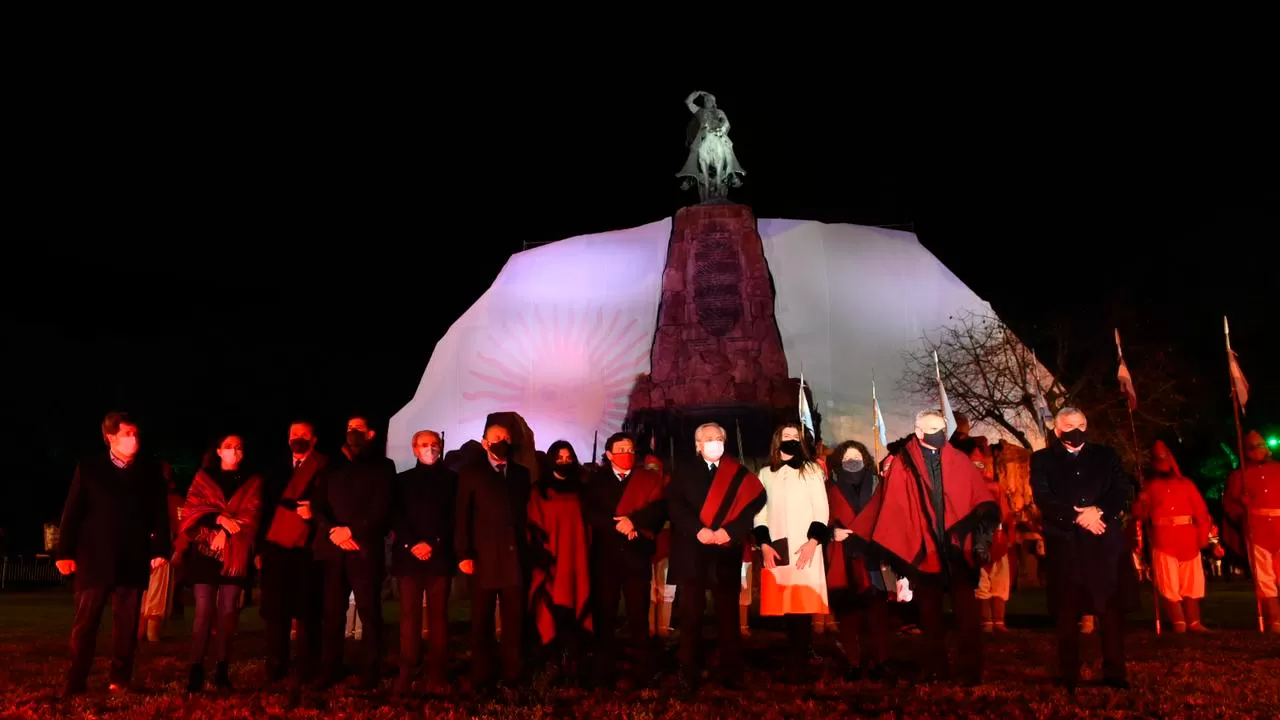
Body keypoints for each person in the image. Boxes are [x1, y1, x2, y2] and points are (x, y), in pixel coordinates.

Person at [851, 410, 997, 685]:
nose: (938, 433)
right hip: (924, 550)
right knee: (930, 618)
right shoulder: (903, 464)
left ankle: (970, 671)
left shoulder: (959, 461)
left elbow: (980, 499)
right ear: (919, 432)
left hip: (957, 551)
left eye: (941, 428)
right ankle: (935, 669)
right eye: (932, 428)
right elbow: (891, 504)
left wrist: (978, 537)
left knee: (967, 617)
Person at [55, 411, 172, 696]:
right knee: (86, 623)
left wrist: (160, 549)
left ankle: (120, 678)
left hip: (133, 556)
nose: (133, 439)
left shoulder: (149, 471)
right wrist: (64, 552)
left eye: (135, 434)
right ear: (110, 438)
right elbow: (72, 513)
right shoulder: (90, 468)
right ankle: (76, 680)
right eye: (126, 434)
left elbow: (160, 514)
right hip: (94, 557)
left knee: (127, 624)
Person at [1031, 407, 1133, 691]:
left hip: (1103, 542)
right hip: (1066, 542)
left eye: (1080, 424)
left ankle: (1115, 672)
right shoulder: (1042, 460)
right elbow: (1044, 496)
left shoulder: (1106, 455)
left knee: (1109, 610)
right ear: (1057, 429)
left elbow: (1121, 489)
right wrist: (1075, 517)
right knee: (1067, 611)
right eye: (1069, 425)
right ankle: (1069, 674)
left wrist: (1098, 512)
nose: (1075, 430)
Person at [667, 422, 766, 692]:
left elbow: (755, 502)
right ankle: (689, 671)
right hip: (692, 551)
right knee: (690, 616)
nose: (714, 442)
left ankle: (732, 672)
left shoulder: (739, 473)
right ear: (698, 445)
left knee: (728, 617)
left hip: (725, 552)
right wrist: (698, 530)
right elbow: (674, 506)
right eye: (708, 438)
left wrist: (730, 532)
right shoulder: (683, 472)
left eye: (718, 438)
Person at [312, 415, 396, 690]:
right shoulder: (331, 466)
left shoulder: (383, 466)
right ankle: (330, 668)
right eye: (349, 428)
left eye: (358, 428)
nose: (352, 432)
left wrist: (353, 531)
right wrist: (333, 531)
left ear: (371, 434)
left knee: (370, 611)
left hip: (364, 548)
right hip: (335, 549)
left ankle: (370, 669)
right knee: (333, 612)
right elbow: (318, 505)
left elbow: (384, 507)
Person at [174, 433, 263, 692]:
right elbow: (191, 514)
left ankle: (222, 669)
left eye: (238, 447)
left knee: (227, 613)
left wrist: (225, 530)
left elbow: (252, 515)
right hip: (206, 554)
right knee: (203, 613)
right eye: (228, 447)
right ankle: (196, 668)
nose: (234, 451)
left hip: (235, 555)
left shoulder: (252, 482)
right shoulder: (204, 479)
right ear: (218, 451)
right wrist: (218, 522)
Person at [581, 433, 666, 688]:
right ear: (608, 454)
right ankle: (603, 670)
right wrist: (617, 525)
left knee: (639, 615)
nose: (626, 453)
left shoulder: (649, 479)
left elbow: (659, 511)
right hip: (605, 559)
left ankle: (642, 670)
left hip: (636, 556)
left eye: (629, 448)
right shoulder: (595, 480)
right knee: (604, 615)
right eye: (620, 449)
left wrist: (635, 523)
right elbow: (589, 512)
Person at [455, 420, 533, 690]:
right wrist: (463, 553)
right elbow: (462, 515)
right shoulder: (470, 473)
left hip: (514, 558)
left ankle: (513, 672)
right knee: (482, 621)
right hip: (482, 558)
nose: (502, 441)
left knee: (514, 621)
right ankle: (482, 674)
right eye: (496, 437)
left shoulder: (521, 475)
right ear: (485, 442)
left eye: (506, 437)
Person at [753, 423, 829, 683]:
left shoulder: (811, 470)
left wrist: (813, 541)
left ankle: (800, 663)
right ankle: (793, 657)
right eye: (786, 436)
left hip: (804, 546)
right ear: (777, 440)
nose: (791, 440)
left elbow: (821, 508)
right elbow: (760, 513)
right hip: (777, 546)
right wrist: (763, 544)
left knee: (802, 605)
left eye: (796, 437)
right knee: (784, 605)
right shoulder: (766, 473)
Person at [258, 421, 328, 687]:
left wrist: (314, 512)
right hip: (275, 547)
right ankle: (276, 665)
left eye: (304, 435)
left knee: (308, 611)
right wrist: (260, 547)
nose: (298, 439)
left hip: (308, 549)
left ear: (314, 439)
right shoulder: (274, 469)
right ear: (288, 439)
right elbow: (262, 508)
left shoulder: (325, 467)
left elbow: (332, 502)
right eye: (294, 435)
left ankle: (307, 666)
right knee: (276, 611)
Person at [391, 429, 458, 694]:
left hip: (439, 556)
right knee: (409, 616)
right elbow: (396, 515)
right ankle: (407, 669)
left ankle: (438, 672)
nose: (430, 449)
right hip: (408, 558)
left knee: (438, 617)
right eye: (424, 444)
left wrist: (433, 543)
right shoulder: (401, 481)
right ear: (414, 448)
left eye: (434, 444)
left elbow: (453, 516)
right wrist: (412, 544)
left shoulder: (453, 480)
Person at [824, 440, 890, 680]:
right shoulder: (829, 488)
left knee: (877, 614)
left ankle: (880, 661)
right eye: (847, 457)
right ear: (839, 462)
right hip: (843, 557)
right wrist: (831, 533)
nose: (852, 460)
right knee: (848, 614)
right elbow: (821, 518)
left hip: (873, 555)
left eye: (857, 456)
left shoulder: (878, 485)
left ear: (865, 458)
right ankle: (853, 662)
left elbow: (887, 514)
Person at [527, 440, 592, 683]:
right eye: (559, 457)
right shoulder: (539, 491)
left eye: (568, 457)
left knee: (577, 602)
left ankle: (575, 661)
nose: (564, 461)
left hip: (579, 558)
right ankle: (552, 660)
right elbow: (532, 524)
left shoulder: (583, 489)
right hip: (552, 560)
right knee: (550, 607)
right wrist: (541, 554)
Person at [1133, 440, 1212, 632]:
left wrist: (1202, 537)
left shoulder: (1187, 484)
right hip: (1163, 539)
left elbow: (1201, 512)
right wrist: (1141, 502)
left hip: (1188, 538)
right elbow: (1139, 515)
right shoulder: (1149, 487)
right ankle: (1179, 622)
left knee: (1192, 582)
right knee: (1168, 583)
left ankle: (1194, 621)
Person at [1222, 430, 1280, 632]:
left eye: (1260, 446)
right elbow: (1229, 505)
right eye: (1252, 448)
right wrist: (1241, 503)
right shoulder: (1239, 476)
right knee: (1264, 577)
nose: (1257, 450)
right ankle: (1275, 620)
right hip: (1256, 529)